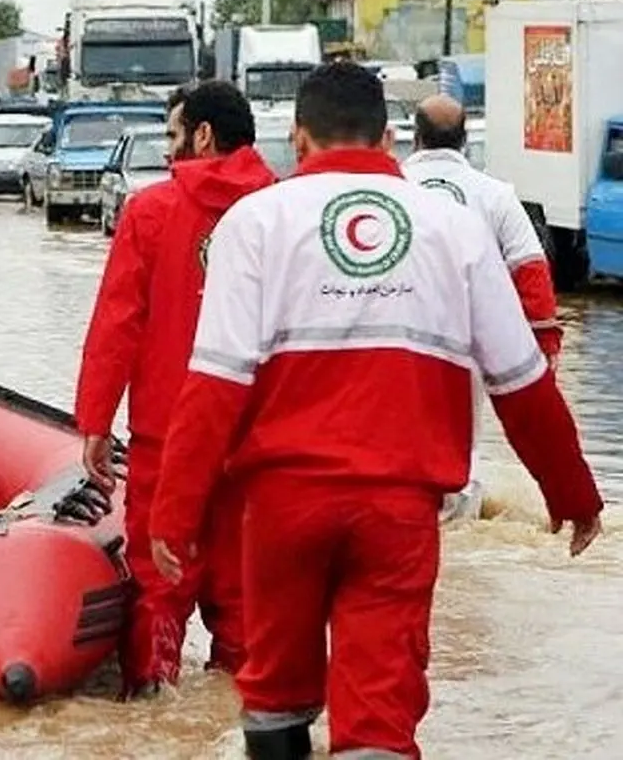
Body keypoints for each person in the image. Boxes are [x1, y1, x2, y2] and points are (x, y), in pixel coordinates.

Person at [147, 63, 602, 758]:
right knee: (379, 713)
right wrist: (572, 493)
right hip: (400, 510)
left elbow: (215, 382)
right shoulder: (455, 226)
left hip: (280, 508)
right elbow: (522, 378)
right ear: (389, 138)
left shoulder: (256, 220)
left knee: (273, 694)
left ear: (297, 140)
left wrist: (174, 513)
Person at [73, 80, 277, 698]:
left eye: (172, 135)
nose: (168, 150)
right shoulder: (283, 210)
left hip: (168, 437)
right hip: (259, 442)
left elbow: (118, 324)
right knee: (247, 605)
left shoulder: (151, 211)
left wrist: (95, 423)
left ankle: (150, 712)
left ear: (203, 135)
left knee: (157, 593)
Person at [402, 94, 563, 522]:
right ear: (464, 141)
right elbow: (531, 271)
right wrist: (543, 346)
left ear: (415, 138)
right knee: (461, 445)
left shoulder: (389, 187)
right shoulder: (496, 195)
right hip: (467, 342)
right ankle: (460, 529)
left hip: (391, 333)